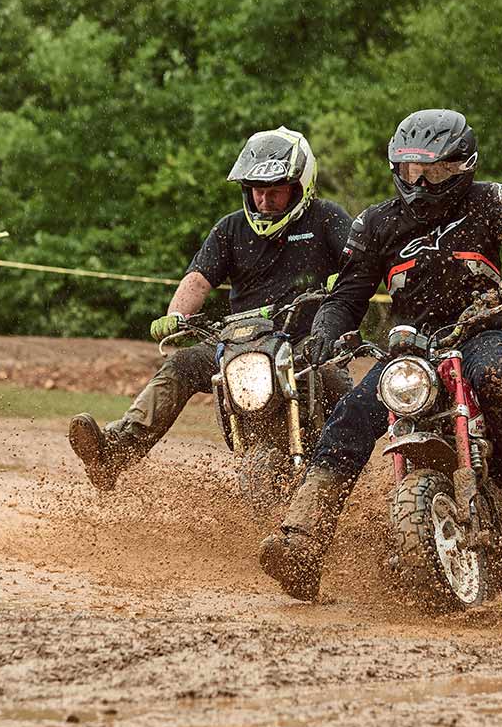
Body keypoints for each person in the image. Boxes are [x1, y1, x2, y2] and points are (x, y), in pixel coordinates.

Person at [258, 108, 502, 601]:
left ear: (463, 166)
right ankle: (302, 540)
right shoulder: (376, 222)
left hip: (480, 331)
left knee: (499, 375)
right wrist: (323, 336)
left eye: (434, 171)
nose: (420, 183)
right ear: (395, 169)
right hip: (411, 346)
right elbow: (348, 296)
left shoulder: (491, 201)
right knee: (353, 413)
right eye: (409, 171)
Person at [68, 127, 354, 492]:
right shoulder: (230, 228)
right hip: (239, 342)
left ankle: (355, 468)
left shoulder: (327, 218)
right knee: (183, 363)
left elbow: (357, 264)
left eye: (275, 191)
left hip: (306, 340)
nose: (265, 200)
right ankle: (116, 451)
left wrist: (342, 282)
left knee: (333, 377)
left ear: (300, 187)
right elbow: (199, 279)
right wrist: (176, 316)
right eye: (257, 190)